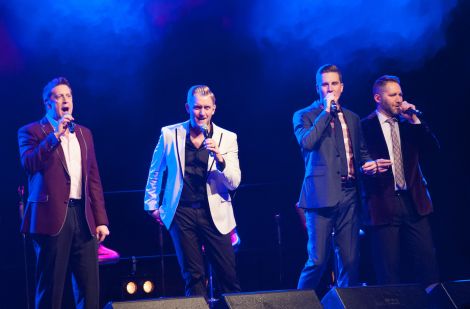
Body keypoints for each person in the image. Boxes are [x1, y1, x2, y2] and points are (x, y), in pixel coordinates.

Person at [293, 64, 391, 290]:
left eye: (334, 84)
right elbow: (307, 142)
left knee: (349, 261)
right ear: (317, 88)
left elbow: (361, 152)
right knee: (317, 261)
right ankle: (297, 303)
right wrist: (326, 113)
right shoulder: (304, 115)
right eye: (325, 85)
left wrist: (369, 164)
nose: (330, 89)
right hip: (320, 196)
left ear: (342, 87)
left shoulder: (353, 118)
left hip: (349, 194)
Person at [18, 77, 109, 309]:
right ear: (48, 103)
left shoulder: (84, 133)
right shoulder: (32, 131)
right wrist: (54, 137)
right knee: (51, 289)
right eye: (59, 96)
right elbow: (29, 163)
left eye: (68, 96)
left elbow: (94, 179)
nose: (65, 100)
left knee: (89, 290)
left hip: (83, 216)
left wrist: (101, 220)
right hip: (51, 217)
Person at [144, 85, 241, 297]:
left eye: (207, 108)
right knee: (193, 277)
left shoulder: (227, 138)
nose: (202, 113)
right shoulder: (170, 134)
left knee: (228, 276)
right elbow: (155, 170)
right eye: (197, 107)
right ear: (188, 107)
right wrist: (152, 205)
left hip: (215, 212)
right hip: (182, 214)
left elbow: (234, 182)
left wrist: (220, 158)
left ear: (214, 109)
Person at [361, 75, 439, 288]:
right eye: (392, 94)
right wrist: (369, 166)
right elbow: (357, 161)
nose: (398, 99)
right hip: (382, 203)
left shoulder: (408, 125)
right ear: (378, 97)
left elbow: (433, 151)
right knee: (388, 271)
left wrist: (415, 121)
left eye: (400, 94)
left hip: (414, 201)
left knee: (427, 264)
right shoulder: (365, 127)